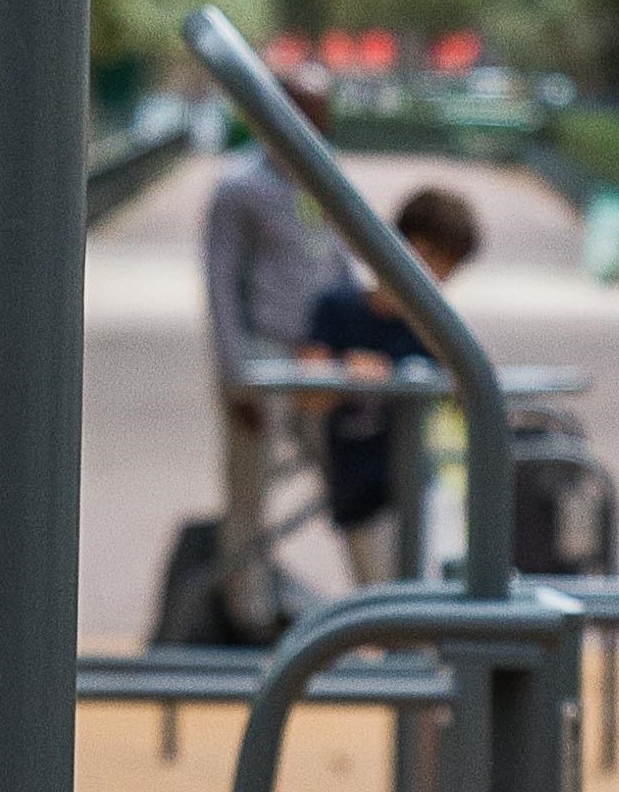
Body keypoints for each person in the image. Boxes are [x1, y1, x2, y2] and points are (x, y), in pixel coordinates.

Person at [203, 70, 352, 631]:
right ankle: (248, 614)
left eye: (320, 111)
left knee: (347, 476)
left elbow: (339, 259)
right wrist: (234, 375)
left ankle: (380, 601)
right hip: (263, 354)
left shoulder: (323, 178)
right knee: (250, 490)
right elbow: (220, 286)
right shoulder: (240, 187)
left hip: (318, 354)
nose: (316, 123)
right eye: (305, 110)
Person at [302, 184, 482, 581]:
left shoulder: (439, 327)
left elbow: (470, 399)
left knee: (435, 596)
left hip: (422, 484)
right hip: (359, 492)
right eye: (430, 255)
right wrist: (346, 372)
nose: (434, 274)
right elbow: (308, 395)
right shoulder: (338, 309)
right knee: (386, 614)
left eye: (447, 266)